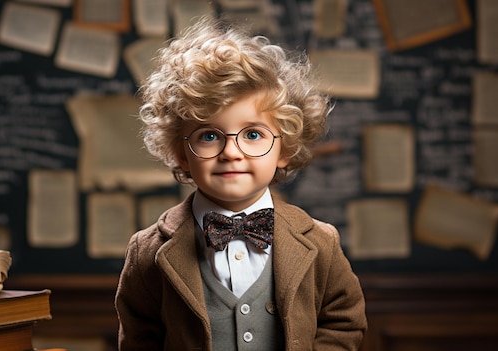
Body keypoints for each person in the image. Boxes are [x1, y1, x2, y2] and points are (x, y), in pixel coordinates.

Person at [115, 16, 367, 351]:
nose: (231, 152)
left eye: (252, 134)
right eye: (209, 135)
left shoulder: (321, 242)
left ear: (285, 148)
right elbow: (139, 336)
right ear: (180, 151)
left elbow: (344, 320)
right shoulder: (146, 252)